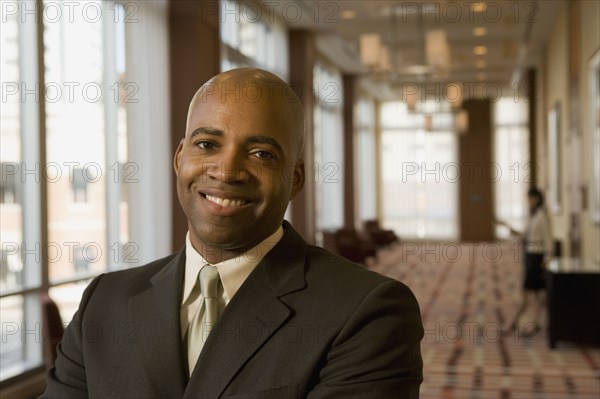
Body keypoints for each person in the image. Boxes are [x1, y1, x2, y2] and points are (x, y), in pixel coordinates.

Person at [41, 68, 424, 398]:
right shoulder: (105, 300)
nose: (226, 171)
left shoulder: (368, 311)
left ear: (295, 179)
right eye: (207, 144)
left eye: (261, 154)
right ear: (180, 159)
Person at [500, 187, 553, 337]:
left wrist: (547, 260)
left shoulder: (542, 217)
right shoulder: (533, 216)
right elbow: (526, 236)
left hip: (537, 258)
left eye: (530, 198)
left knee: (529, 293)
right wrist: (511, 230)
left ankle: (514, 324)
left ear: (536, 199)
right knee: (535, 295)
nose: (528, 202)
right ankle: (532, 324)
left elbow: (547, 240)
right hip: (530, 256)